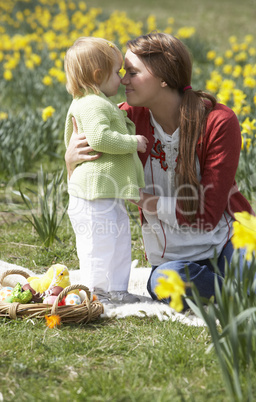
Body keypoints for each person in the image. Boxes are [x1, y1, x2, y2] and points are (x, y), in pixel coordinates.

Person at [65, 32, 256, 307]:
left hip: (227, 241)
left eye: (132, 72)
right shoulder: (122, 123)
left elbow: (209, 212)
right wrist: (70, 160)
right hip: (174, 259)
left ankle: (238, 288)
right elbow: (88, 184)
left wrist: (144, 200)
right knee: (166, 282)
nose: (122, 80)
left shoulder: (217, 120)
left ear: (163, 77)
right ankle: (237, 294)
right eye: (122, 72)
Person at [64, 36, 148, 304]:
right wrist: (132, 142)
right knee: (98, 245)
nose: (121, 78)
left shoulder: (98, 102)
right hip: (92, 196)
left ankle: (118, 289)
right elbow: (99, 138)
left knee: (120, 241)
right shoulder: (92, 104)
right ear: (99, 75)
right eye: (117, 72)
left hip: (106, 192)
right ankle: (97, 292)